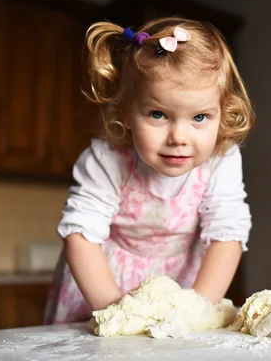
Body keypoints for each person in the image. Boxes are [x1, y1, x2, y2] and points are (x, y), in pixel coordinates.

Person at [43, 17, 256, 324]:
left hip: (182, 286)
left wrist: (196, 310)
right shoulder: (107, 159)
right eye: (158, 114)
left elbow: (227, 234)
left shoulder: (221, 160)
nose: (179, 137)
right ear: (127, 111)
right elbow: (81, 234)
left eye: (199, 117)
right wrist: (118, 312)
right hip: (102, 286)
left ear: (222, 113)